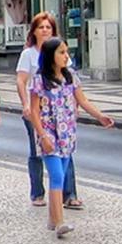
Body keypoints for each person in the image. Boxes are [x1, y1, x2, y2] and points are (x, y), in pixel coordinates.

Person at [27, 37, 115, 238]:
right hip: (48, 132)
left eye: (66, 52)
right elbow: (33, 111)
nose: (66, 56)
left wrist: (100, 116)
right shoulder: (39, 80)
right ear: (50, 56)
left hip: (67, 133)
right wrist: (42, 135)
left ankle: (52, 218)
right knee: (56, 175)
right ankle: (60, 223)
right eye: (61, 52)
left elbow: (82, 100)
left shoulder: (71, 77)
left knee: (62, 174)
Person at [16, 13, 80, 208]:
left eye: (48, 27)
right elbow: (21, 80)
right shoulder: (29, 54)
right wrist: (25, 103)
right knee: (37, 152)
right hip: (39, 112)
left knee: (65, 153)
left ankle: (68, 194)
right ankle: (37, 193)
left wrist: (75, 107)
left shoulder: (60, 51)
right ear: (34, 31)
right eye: (41, 27)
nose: (45, 30)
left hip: (61, 113)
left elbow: (70, 81)